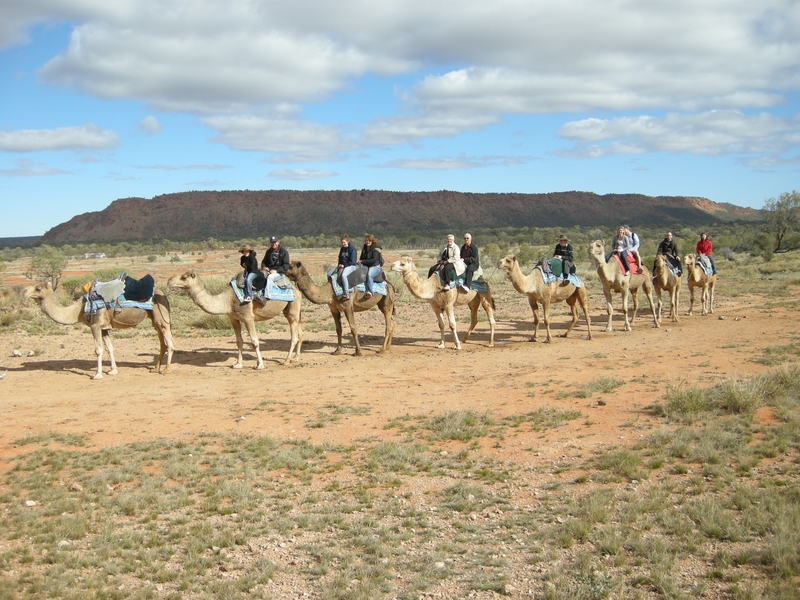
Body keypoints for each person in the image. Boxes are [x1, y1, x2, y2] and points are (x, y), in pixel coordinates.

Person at [358, 234, 384, 299]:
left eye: (369, 240)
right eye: (366, 240)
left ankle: (370, 291)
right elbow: (362, 258)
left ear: (372, 241)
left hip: (375, 266)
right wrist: (359, 262)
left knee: (369, 275)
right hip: (366, 265)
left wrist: (362, 261)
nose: (368, 242)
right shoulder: (364, 247)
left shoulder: (376, 248)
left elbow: (374, 260)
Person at [336, 235, 358, 300]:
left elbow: (353, 261)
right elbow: (340, 258)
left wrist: (344, 265)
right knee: (329, 274)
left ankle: (346, 293)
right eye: (342, 243)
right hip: (342, 265)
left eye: (344, 242)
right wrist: (339, 264)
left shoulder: (352, 249)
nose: (343, 244)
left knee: (343, 276)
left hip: (351, 266)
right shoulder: (342, 249)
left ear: (347, 241)